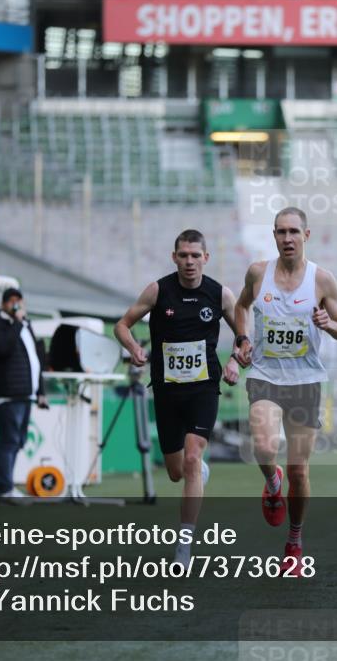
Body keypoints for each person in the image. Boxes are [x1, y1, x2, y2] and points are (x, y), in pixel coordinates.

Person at [234, 207, 337, 575]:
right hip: (266, 375)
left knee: (299, 471)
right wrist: (241, 338)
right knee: (265, 447)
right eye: (281, 232)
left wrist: (328, 324)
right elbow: (241, 307)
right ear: (274, 236)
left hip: (305, 382)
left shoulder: (322, 280)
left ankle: (294, 543)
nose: (287, 238)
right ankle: (272, 481)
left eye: (293, 232)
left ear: (306, 235)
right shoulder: (258, 273)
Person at [114, 229, 241, 565]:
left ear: (206, 258)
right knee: (174, 471)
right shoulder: (159, 290)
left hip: (203, 389)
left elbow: (244, 337)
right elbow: (122, 325)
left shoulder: (220, 294)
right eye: (183, 255)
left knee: (191, 458)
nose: (189, 262)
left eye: (195, 255)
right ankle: (196, 472)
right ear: (175, 257)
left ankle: (183, 546)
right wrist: (134, 348)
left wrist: (233, 363)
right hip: (168, 391)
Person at [0, 287, 49, 504]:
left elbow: (36, 359)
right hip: (9, 395)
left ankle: (8, 486)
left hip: (26, 393)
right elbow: (1, 349)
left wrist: (41, 391)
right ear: (4, 304)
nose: (17, 306)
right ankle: (5, 489)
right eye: (12, 302)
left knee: (18, 441)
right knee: (10, 441)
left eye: (19, 301)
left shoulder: (25, 324)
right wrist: (16, 323)